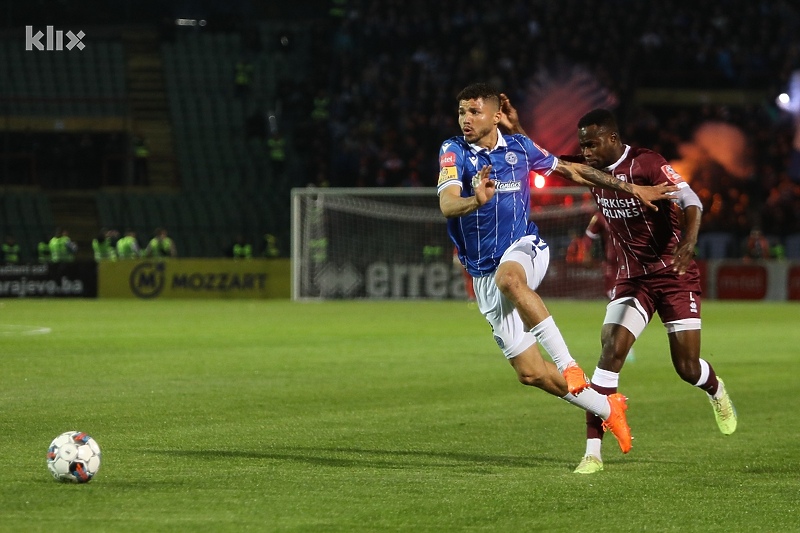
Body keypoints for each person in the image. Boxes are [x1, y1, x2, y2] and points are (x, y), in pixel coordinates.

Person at [437, 83, 677, 456]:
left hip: (525, 249)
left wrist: (632, 189)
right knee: (530, 373)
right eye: (461, 113)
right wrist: (475, 200)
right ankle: (606, 407)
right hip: (483, 273)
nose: (466, 120)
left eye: (474, 112)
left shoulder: (520, 148)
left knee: (510, 278)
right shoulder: (453, 151)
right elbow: (448, 205)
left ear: (496, 114)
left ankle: (570, 366)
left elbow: (574, 171)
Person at [565, 108, 738, 474]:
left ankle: (715, 389)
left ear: (613, 138)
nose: (586, 152)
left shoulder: (648, 164)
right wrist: (513, 128)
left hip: (675, 274)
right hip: (633, 279)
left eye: (592, 144)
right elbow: (541, 157)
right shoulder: (590, 169)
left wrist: (688, 242)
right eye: (582, 146)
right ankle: (592, 454)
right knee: (610, 352)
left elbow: (692, 200)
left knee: (687, 367)